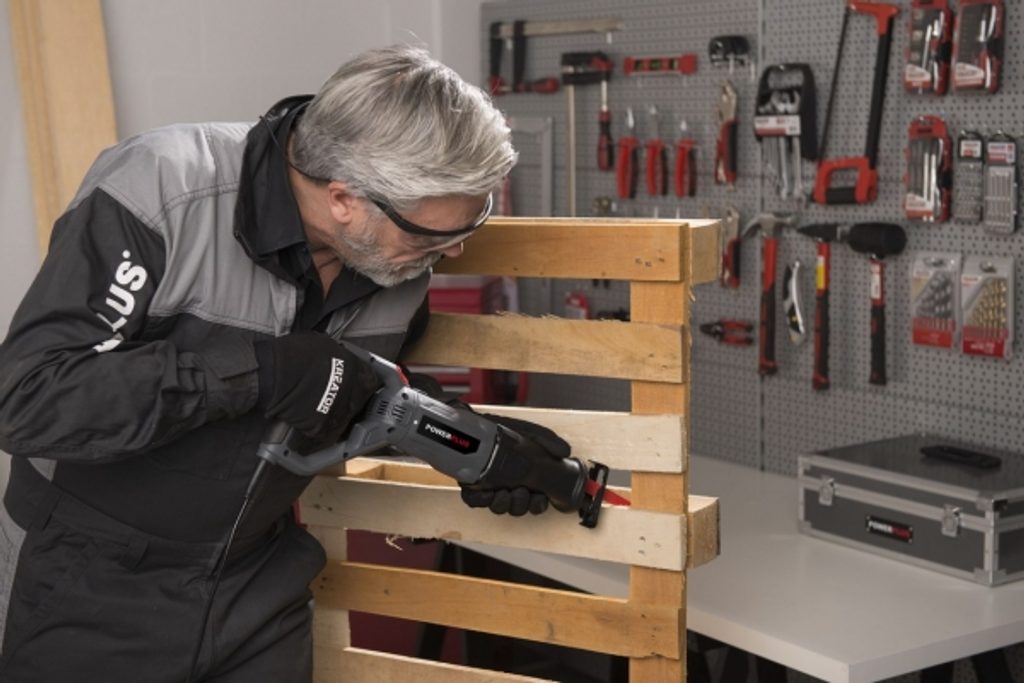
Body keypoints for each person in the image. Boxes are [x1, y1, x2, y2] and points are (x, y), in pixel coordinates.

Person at [0, 45, 570, 682]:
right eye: (432, 235)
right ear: (344, 199)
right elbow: (29, 399)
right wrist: (257, 372)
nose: (455, 251)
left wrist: (471, 444)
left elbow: (349, 393)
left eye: (471, 224)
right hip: (87, 579)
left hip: (259, 582)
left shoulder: (398, 256)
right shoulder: (161, 188)